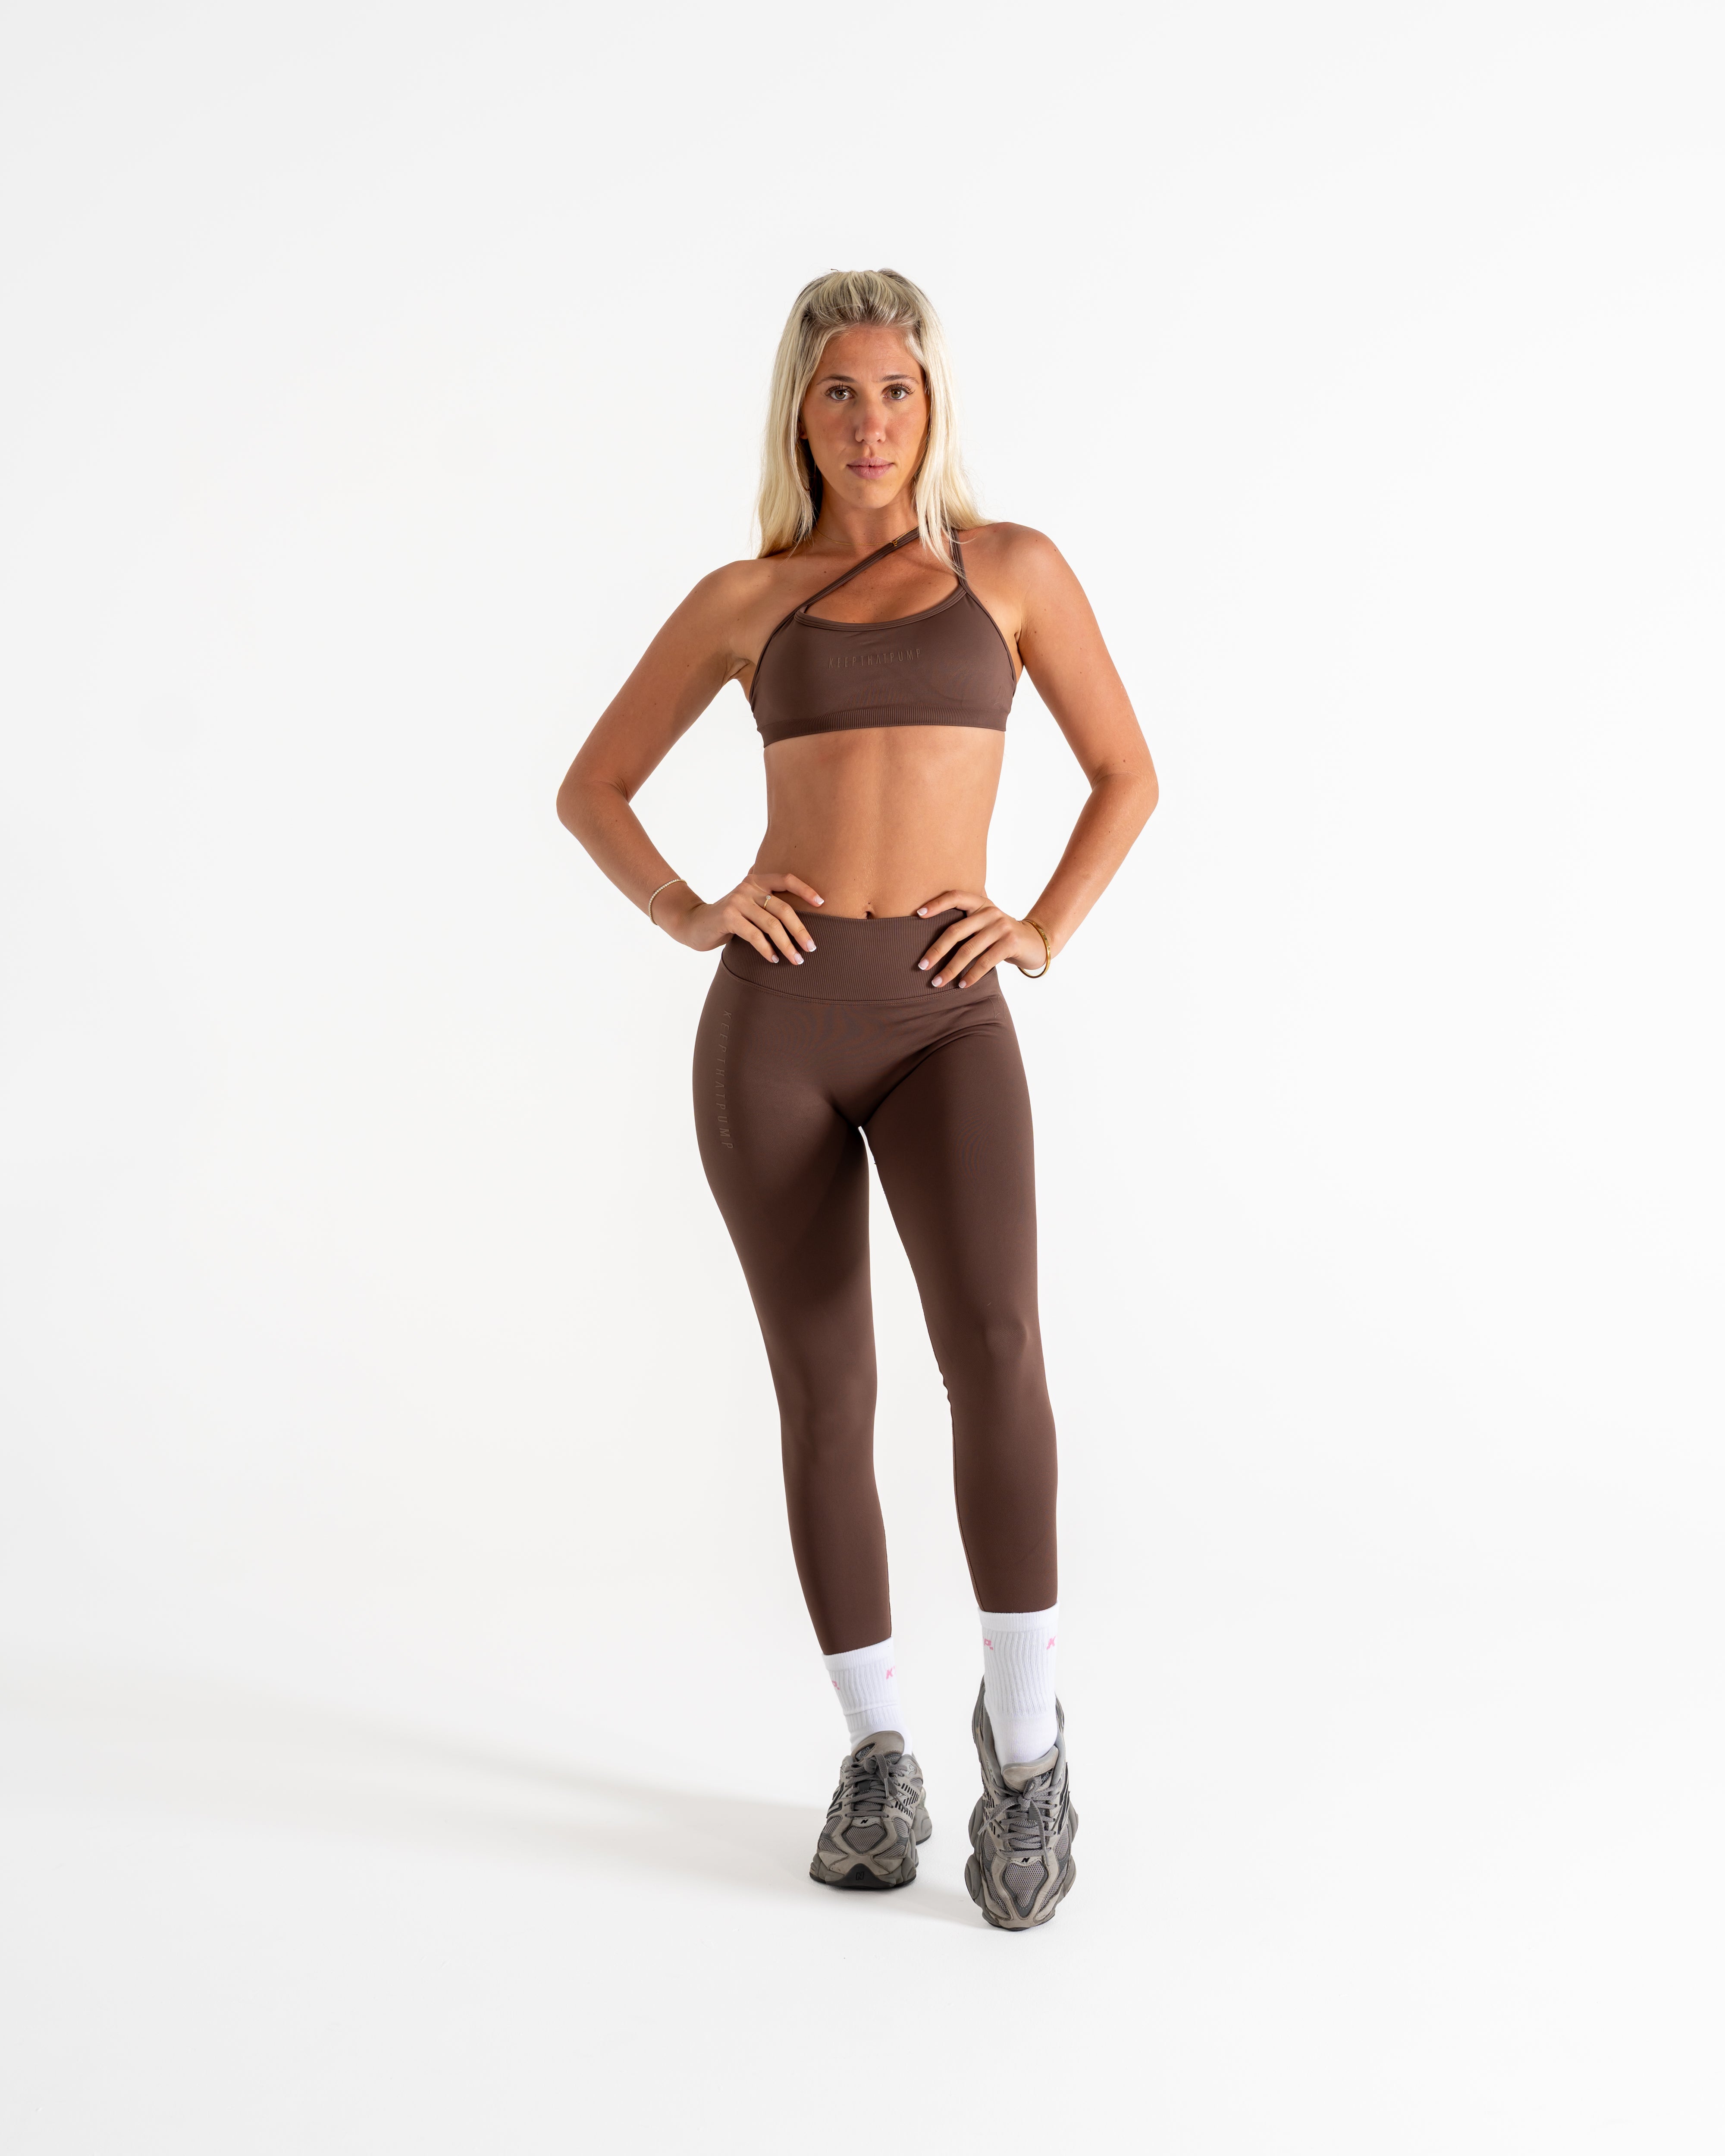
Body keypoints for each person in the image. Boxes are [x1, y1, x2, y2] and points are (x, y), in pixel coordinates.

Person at [557, 269, 1157, 1929]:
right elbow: (592, 787)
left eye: (897, 389)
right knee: (828, 1394)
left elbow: (1127, 773)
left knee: (1001, 1351)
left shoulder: (1009, 571)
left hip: (948, 1018)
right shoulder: (746, 599)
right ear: (800, 413)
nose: (871, 421)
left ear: (932, 404)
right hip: (777, 1027)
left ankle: (1025, 1749)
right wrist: (689, 909)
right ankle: (877, 1755)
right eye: (840, 391)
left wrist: (1040, 926)